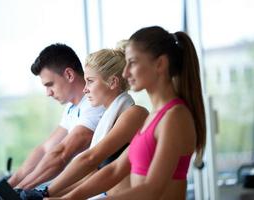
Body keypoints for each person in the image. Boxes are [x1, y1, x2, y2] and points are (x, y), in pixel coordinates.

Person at [46, 25, 206, 200]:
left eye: (133, 62)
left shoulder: (175, 116)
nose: (125, 72)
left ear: (160, 64)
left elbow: (151, 190)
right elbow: (114, 171)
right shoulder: (153, 117)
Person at [8, 43, 105, 190]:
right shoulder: (71, 108)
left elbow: (62, 154)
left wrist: (21, 189)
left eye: (50, 84)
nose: (48, 93)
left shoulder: (95, 104)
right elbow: (45, 149)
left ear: (69, 75)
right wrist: (9, 185)